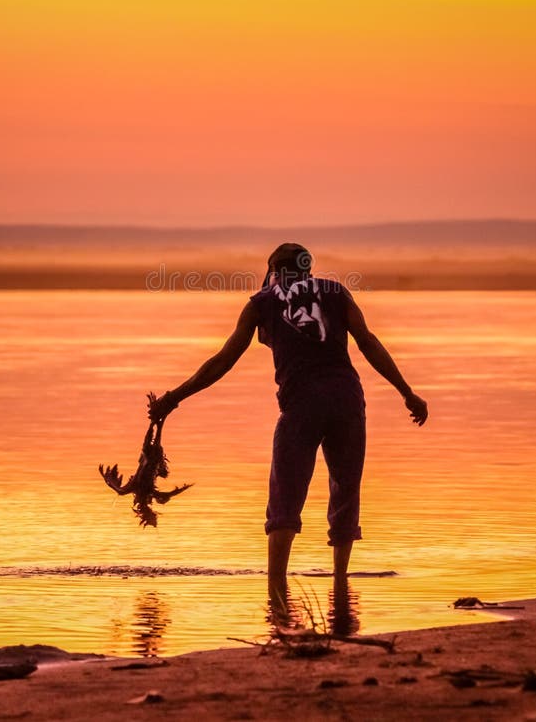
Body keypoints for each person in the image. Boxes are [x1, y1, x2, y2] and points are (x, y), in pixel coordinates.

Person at [149, 243, 428, 603]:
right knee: (346, 488)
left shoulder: (261, 303)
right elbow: (368, 342)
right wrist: (407, 392)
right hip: (347, 400)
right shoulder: (335, 292)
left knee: (285, 495)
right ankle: (340, 585)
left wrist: (174, 397)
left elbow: (223, 360)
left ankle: (276, 590)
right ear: (307, 269)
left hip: (301, 406)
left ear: (273, 271)